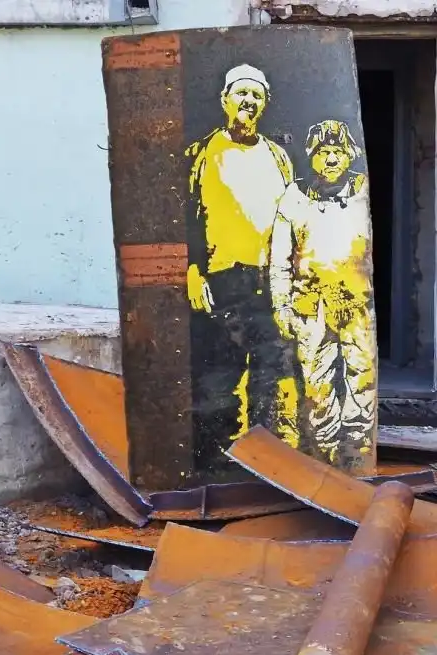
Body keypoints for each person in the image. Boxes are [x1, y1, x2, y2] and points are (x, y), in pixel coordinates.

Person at [185, 63, 298, 476]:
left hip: (268, 280)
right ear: (225, 99)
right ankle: (218, 463)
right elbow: (184, 217)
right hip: (221, 277)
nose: (248, 101)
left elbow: (292, 219)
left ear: (264, 105)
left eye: (256, 96)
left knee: (270, 371)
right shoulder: (200, 154)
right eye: (241, 93)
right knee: (220, 374)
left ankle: (265, 463)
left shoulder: (278, 157)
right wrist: (192, 272)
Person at [269, 119, 375, 466]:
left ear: (349, 155)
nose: (331, 159)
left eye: (338, 151)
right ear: (311, 156)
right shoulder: (294, 197)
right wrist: (281, 306)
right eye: (323, 152)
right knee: (318, 384)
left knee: (361, 378)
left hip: (357, 303)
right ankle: (324, 456)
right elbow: (279, 259)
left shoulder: (363, 192)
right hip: (310, 305)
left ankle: (358, 456)